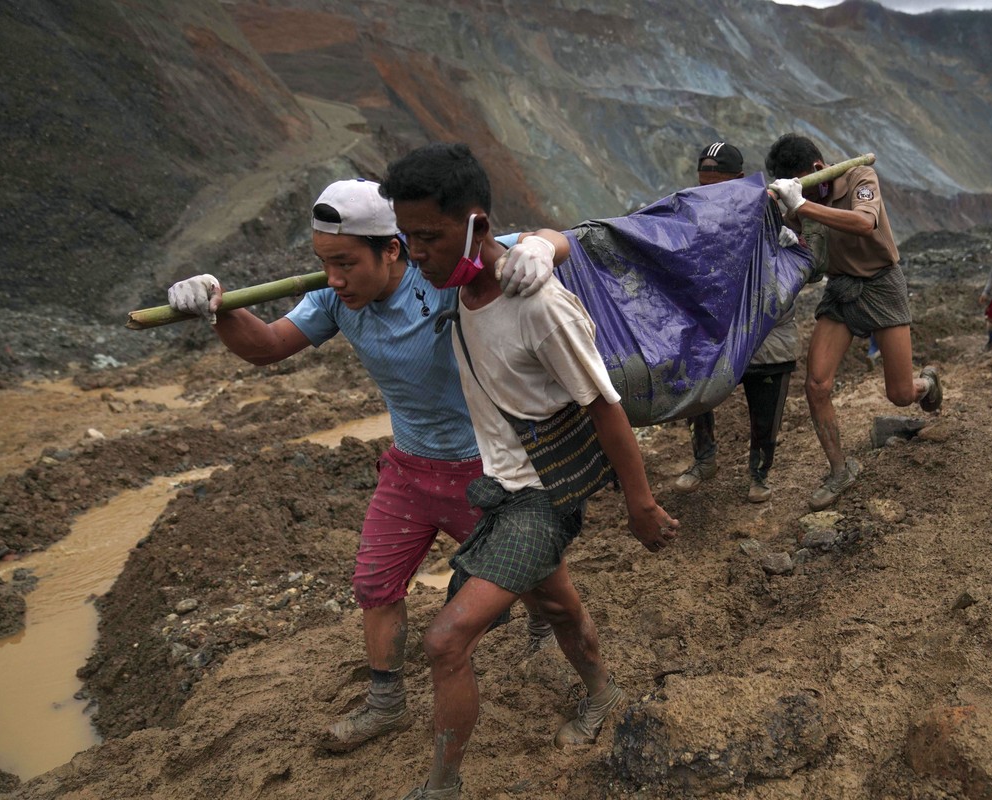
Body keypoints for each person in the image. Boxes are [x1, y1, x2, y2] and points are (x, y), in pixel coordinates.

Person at [165, 178, 562, 754]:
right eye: (325, 264)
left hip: (486, 470)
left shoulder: (442, 274)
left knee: (534, 578)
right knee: (375, 583)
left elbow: (548, 238)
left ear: (393, 249)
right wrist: (217, 306)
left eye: (346, 263)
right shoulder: (333, 302)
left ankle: (545, 627)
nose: (333, 279)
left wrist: (542, 247)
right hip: (407, 469)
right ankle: (386, 703)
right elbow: (269, 345)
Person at [381, 143, 679, 800]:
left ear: (477, 226)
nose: (417, 252)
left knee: (446, 640)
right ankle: (604, 692)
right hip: (501, 489)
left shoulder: (538, 305)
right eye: (408, 238)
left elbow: (604, 405)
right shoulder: (454, 288)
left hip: (544, 499)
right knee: (560, 607)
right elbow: (360, 278)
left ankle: (443, 787)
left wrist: (640, 503)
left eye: (428, 237)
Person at [765, 134, 942, 511]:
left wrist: (803, 206)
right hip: (842, 288)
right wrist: (786, 225)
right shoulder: (803, 200)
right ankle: (840, 470)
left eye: (805, 188)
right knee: (816, 383)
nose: (805, 199)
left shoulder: (860, 178)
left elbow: (864, 223)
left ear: (817, 171)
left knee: (900, 394)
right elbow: (805, 247)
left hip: (881, 283)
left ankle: (927, 383)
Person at [674, 141, 803, 502]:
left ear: (740, 180)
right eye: (703, 185)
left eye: (718, 185)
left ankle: (759, 474)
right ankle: (704, 459)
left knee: (765, 408)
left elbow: (803, 258)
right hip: (719, 329)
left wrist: (792, 215)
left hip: (767, 328)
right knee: (694, 394)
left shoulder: (770, 211)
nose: (709, 193)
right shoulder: (693, 214)